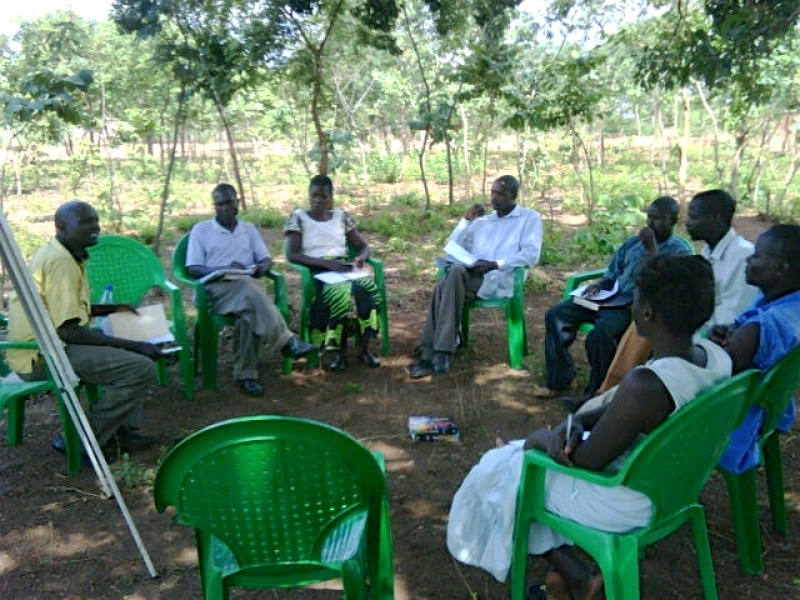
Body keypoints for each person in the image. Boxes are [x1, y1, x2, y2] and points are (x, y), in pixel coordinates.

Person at [447, 255, 731, 599]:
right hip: (676, 487)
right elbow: (616, 409)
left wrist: (539, 440)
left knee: (499, 469)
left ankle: (574, 573)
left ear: (646, 313)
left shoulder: (647, 385)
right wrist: (576, 421)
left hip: (629, 501)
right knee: (516, 464)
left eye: (636, 296)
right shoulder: (715, 357)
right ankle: (569, 572)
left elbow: (585, 462)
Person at [564, 188, 759, 409]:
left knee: (647, 328)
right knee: (641, 327)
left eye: (693, 217)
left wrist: (679, 321)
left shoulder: (742, 256)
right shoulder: (707, 253)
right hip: (690, 324)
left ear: (715, 218)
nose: (687, 223)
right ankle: (604, 395)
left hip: (711, 339)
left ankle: (606, 399)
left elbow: (732, 317)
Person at [7, 201, 160, 460]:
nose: (95, 227)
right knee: (139, 366)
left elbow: (69, 311)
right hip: (42, 353)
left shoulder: (67, 254)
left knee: (134, 356)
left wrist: (114, 308)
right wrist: (129, 344)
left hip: (54, 343)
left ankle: (120, 431)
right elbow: (68, 331)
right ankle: (79, 442)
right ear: (61, 227)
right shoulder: (61, 262)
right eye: (86, 222)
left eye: (96, 220)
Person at [535, 196, 690, 399]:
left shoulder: (680, 251)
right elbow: (612, 273)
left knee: (600, 335)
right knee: (556, 314)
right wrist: (598, 287)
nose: (650, 224)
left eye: (658, 219)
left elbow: (666, 285)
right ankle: (560, 379)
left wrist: (652, 249)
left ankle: (598, 392)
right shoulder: (633, 243)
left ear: (673, 221)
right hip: (610, 297)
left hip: (633, 305)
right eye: (649, 217)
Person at [185, 183, 314, 397]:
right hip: (214, 290)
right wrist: (223, 269)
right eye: (219, 204)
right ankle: (286, 341)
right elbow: (193, 268)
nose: (225, 208)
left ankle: (246, 375)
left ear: (237, 202)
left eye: (229, 202)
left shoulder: (248, 229)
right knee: (248, 291)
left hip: (245, 289)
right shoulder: (201, 230)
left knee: (249, 313)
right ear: (214, 206)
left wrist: (262, 267)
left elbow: (264, 258)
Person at [408, 175, 543, 377]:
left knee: (445, 284)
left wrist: (495, 264)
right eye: (493, 193)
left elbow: (531, 255)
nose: (495, 198)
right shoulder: (484, 222)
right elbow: (452, 249)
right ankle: (440, 353)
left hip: (502, 279)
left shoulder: (528, 218)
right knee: (453, 273)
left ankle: (433, 352)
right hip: (471, 278)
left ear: (514, 196)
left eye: (501, 194)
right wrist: (465, 221)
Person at [711, 224, 800, 473]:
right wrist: (730, 332)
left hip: (736, 421)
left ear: (782, 268)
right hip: (772, 409)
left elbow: (716, 377)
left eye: (758, 256)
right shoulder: (787, 303)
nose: (749, 260)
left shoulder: (759, 329)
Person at [284, 174, 382, 371]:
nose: (318, 200)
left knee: (369, 290)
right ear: (308, 195)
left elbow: (362, 246)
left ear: (331, 197)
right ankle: (339, 353)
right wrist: (327, 265)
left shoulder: (340, 216)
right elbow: (292, 254)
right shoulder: (299, 217)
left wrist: (361, 258)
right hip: (319, 271)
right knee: (340, 295)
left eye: (323, 196)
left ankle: (364, 348)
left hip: (343, 268)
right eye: (314, 196)